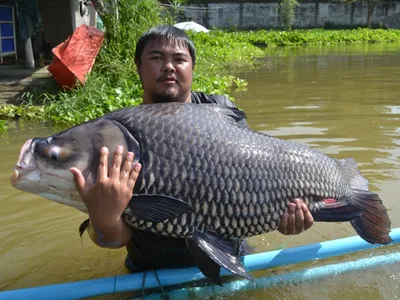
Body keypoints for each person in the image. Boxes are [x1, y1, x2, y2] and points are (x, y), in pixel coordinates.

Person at [70, 25, 314, 274]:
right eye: (156, 58)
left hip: (228, 258)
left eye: (179, 59)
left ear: (192, 67)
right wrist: (105, 218)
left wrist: (281, 214)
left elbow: (260, 178)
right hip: (152, 270)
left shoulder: (220, 110)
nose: (168, 66)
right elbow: (112, 239)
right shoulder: (121, 134)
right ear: (138, 66)